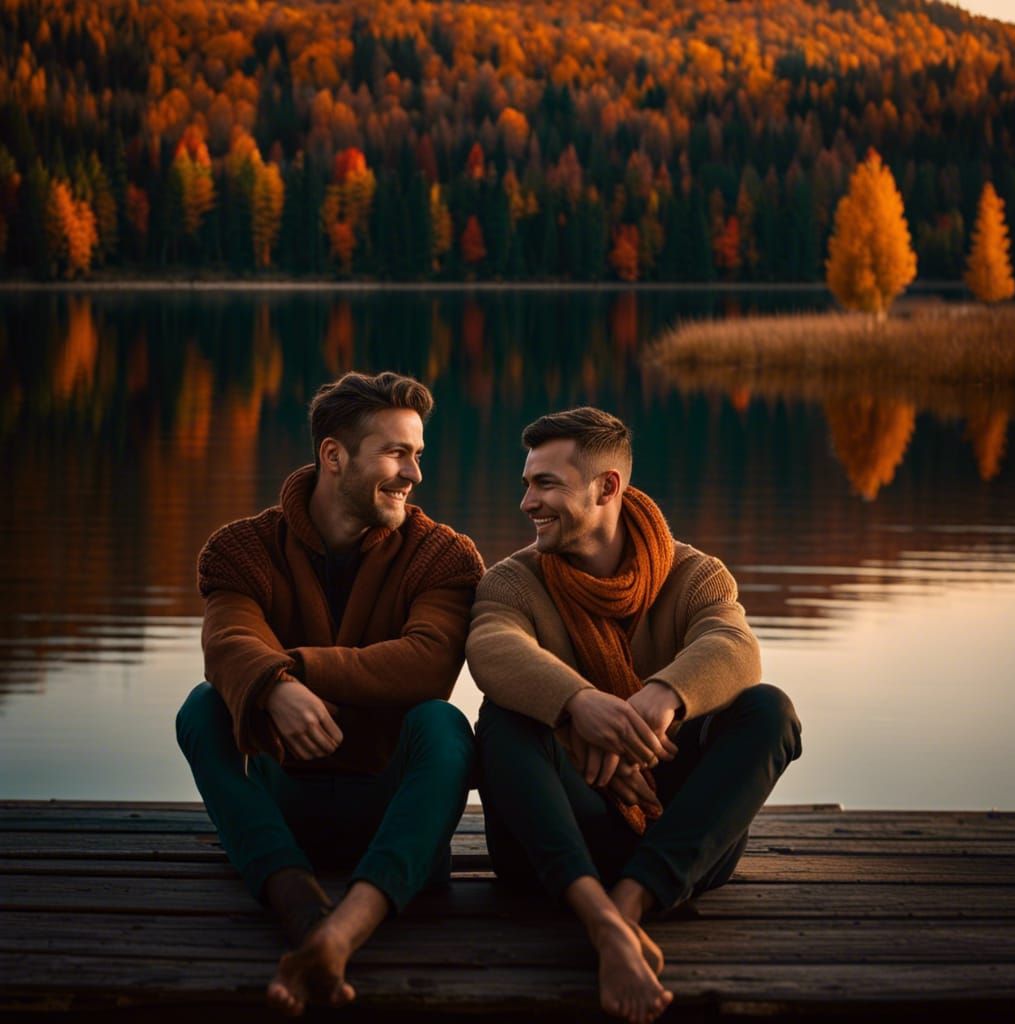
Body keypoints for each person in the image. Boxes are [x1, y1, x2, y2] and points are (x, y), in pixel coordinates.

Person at [468, 407, 801, 1024]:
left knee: (769, 710)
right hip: (559, 836)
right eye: (526, 483)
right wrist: (578, 709)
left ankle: (624, 906)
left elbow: (734, 646)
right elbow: (493, 649)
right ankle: (601, 915)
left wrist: (659, 699)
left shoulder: (694, 574)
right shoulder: (512, 582)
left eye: (545, 484)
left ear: (607, 487)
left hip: (680, 841)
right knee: (502, 720)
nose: (527, 503)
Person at [175, 371, 484, 1016]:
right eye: (397, 453)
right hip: (284, 809)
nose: (413, 475)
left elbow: (426, 664)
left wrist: (286, 675)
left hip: (393, 818)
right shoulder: (242, 549)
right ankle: (301, 908)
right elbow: (229, 643)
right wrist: (267, 688)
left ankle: (347, 925)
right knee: (201, 709)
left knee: (444, 723)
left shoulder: (442, 556)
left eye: (418, 455)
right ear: (334, 455)